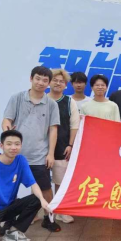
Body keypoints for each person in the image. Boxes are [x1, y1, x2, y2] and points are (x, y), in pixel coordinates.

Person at [2, 66, 61, 233]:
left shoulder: (51, 104)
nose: (40, 83)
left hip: (39, 155)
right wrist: (7, 131)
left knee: (45, 189)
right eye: (37, 78)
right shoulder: (17, 98)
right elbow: (6, 119)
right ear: (31, 78)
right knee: (9, 189)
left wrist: (50, 153)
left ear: (49, 83)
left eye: (45, 80)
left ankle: (49, 218)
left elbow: (53, 130)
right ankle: (8, 219)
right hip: (15, 154)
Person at [0, 130, 51, 241]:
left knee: (37, 199)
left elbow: (33, 184)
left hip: (8, 207)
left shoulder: (21, 160)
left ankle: (13, 232)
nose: (13, 147)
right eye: (9, 144)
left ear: (21, 145)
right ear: (1, 145)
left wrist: (42, 199)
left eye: (17, 144)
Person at [48, 69, 80, 225]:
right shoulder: (42, 99)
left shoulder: (69, 101)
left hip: (62, 146)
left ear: (66, 85)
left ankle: (61, 211)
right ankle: (41, 211)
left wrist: (70, 144)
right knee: (39, 181)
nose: (58, 83)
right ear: (49, 81)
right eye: (55, 80)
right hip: (40, 147)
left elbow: (74, 125)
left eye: (61, 81)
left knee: (60, 180)